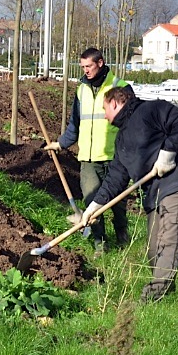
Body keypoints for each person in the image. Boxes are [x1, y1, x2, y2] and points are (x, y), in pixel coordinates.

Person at [82, 86, 178, 302]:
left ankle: (152, 297)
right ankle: (167, 295)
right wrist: (94, 207)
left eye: (104, 109)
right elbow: (115, 180)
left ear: (114, 103)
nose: (104, 115)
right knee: (154, 248)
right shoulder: (121, 140)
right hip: (155, 194)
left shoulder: (153, 109)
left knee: (169, 241)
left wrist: (168, 154)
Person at [43, 47, 132, 249]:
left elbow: (132, 124)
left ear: (100, 63)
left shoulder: (120, 87)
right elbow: (76, 122)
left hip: (115, 158)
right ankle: (100, 244)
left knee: (118, 205)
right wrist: (61, 143)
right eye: (82, 67)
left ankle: (122, 239)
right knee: (92, 202)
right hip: (89, 158)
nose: (86, 71)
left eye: (89, 66)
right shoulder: (81, 89)